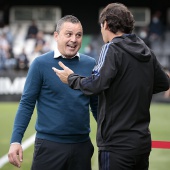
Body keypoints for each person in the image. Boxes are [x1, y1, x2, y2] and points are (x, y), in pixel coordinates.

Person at [52, 3, 170, 170]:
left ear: (106, 24)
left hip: (116, 145)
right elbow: (163, 83)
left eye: (101, 26)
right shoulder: (145, 50)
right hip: (142, 144)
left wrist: (71, 79)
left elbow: (95, 84)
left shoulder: (111, 48)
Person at [8, 15, 98, 170]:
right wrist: (16, 141)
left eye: (78, 35)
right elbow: (27, 104)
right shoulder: (40, 64)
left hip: (82, 147)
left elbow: (96, 105)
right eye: (68, 34)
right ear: (56, 36)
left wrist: (111, 135)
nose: (74, 39)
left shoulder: (90, 64)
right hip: (48, 148)